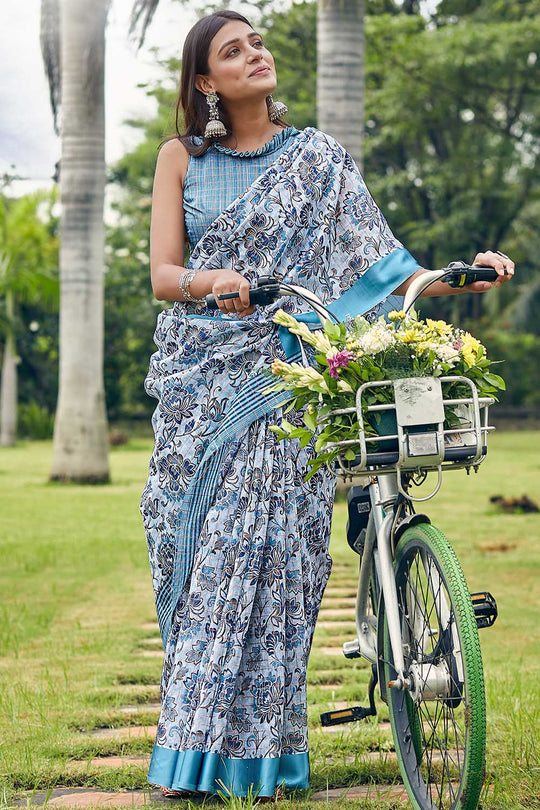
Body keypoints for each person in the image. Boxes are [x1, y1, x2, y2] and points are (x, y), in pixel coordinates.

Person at [140, 9, 514, 801]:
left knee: (279, 567)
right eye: (232, 52)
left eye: (257, 43)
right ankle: (190, 755)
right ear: (205, 80)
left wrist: (462, 273)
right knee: (206, 568)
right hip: (206, 386)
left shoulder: (319, 160)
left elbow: (382, 268)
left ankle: (264, 763)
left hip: (292, 386)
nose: (254, 56)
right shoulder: (181, 158)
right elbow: (165, 277)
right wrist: (218, 285)